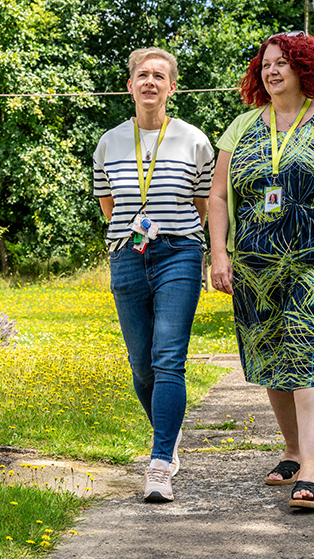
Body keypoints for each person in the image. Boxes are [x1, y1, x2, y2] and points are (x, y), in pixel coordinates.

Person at [208, 32, 314, 511]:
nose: (272, 71)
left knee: (309, 350)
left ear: (305, 69)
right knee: (271, 355)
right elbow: (221, 195)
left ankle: (312, 471)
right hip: (255, 264)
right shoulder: (241, 126)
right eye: (266, 64)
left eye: (283, 63)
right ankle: (291, 450)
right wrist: (218, 255)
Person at [93, 47, 214, 502]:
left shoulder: (192, 140)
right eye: (142, 75)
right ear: (130, 85)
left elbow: (203, 205)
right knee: (141, 365)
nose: (149, 82)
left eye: (158, 76)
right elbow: (110, 206)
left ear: (171, 87)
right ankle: (169, 432)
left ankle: (160, 462)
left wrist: (186, 243)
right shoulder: (109, 142)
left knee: (168, 358)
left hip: (179, 253)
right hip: (126, 254)